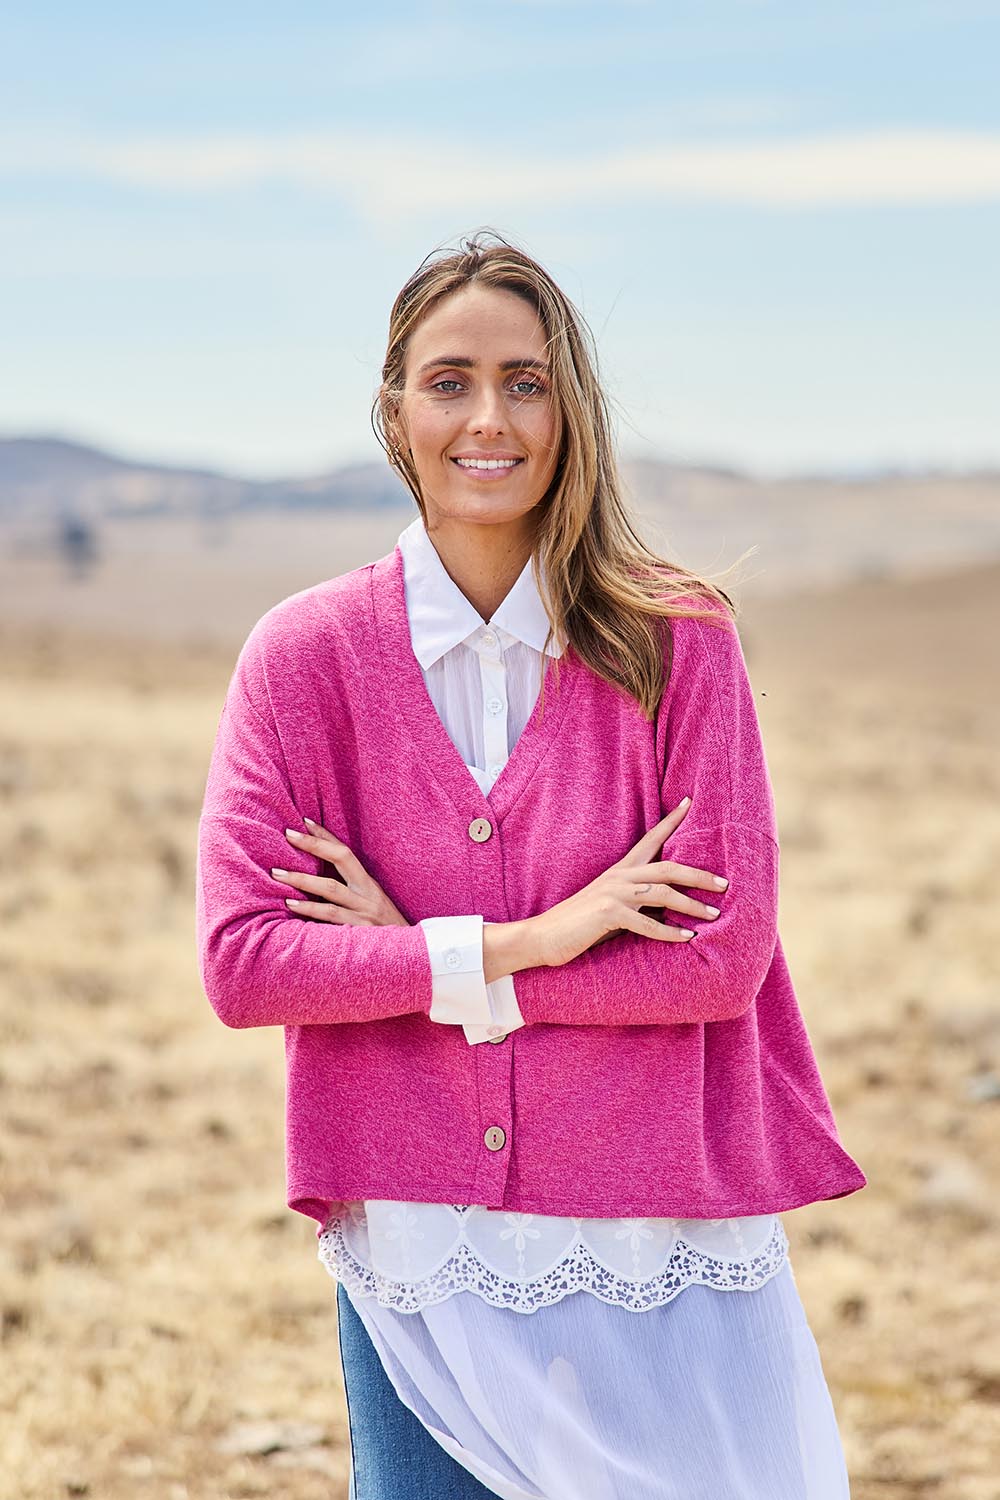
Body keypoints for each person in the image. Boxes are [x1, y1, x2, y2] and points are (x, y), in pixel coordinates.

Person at [195, 229, 867, 1499]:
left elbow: (717, 964)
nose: (487, 419)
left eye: (526, 382)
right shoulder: (302, 660)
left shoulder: (677, 642)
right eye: (448, 382)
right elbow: (245, 965)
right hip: (418, 1237)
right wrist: (537, 940)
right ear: (394, 409)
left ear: (571, 409)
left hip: (652, 1230)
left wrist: (416, 962)